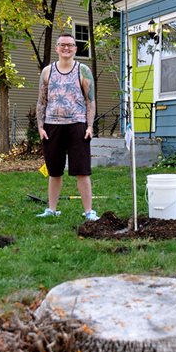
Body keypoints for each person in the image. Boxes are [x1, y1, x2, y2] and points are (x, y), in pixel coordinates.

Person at [36, 33, 99, 221]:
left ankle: (89, 212)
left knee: (82, 170)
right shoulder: (47, 72)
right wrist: (40, 127)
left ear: (75, 49)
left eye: (70, 45)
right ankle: (52, 209)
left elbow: (91, 102)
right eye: (62, 45)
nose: (66, 48)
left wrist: (90, 126)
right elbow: (41, 101)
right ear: (56, 48)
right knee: (54, 171)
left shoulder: (83, 71)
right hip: (52, 126)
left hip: (78, 126)